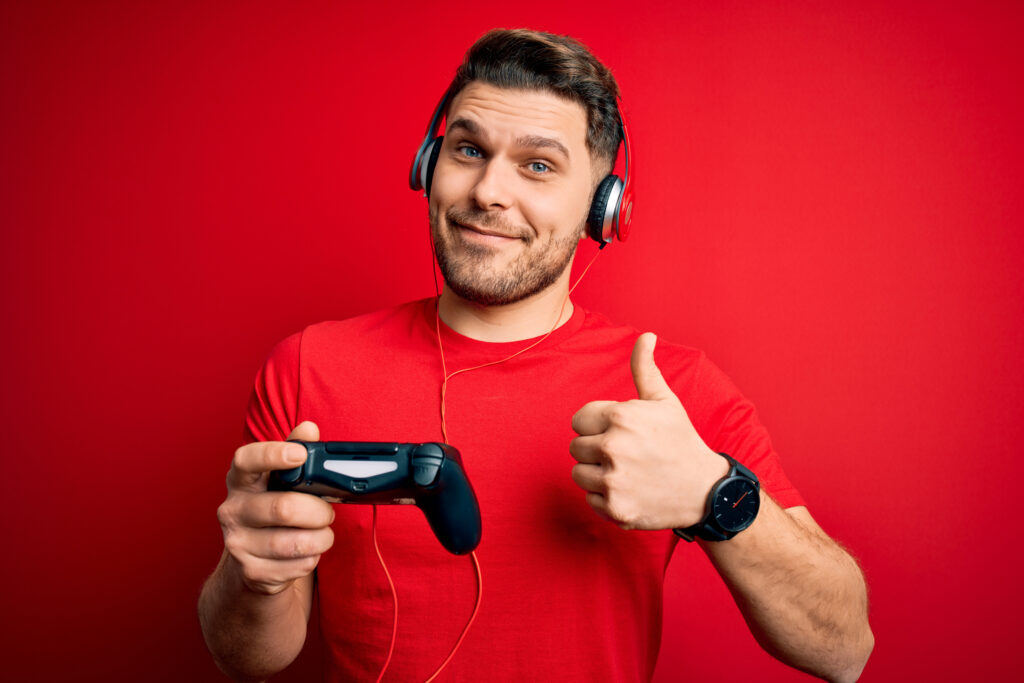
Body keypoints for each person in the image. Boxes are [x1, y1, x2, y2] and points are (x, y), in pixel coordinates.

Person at [198, 28, 873, 682]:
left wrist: (713, 493)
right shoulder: (308, 365)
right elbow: (250, 657)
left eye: (538, 165)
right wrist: (253, 573)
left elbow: (845, 649)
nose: (489, 190)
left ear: (602, 206)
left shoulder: (674, 392)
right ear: (428, 167)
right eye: (467, 150)